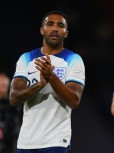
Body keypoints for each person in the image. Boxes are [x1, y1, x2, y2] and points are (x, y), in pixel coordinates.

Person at [9, 10, 85, 153]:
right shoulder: (26, 58)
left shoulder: (74, 60)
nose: (55, 28)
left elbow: (74, 100)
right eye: (50, 24)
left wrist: (51, 77)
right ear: (42, 30)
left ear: (66, 33)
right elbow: (14, 98)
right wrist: (39, 85)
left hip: (56, 140)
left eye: (60, 25)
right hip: (26, 141)